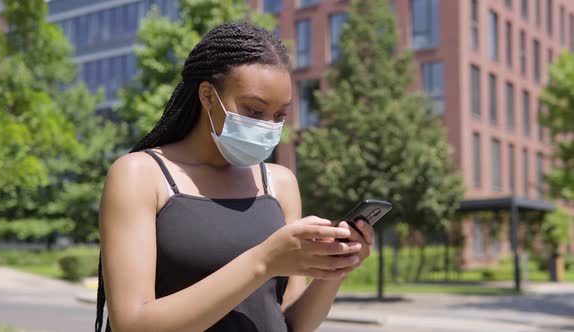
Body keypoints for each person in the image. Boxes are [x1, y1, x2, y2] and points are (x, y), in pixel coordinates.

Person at [94, 21, 374, 332]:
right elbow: (132, 324)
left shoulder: (279, 183)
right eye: (254, 111)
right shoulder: (140, 175)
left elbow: (292, 323)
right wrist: (264, 261)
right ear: (208, 96)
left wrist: (333, 270)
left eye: (280, 115)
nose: (269, 125)